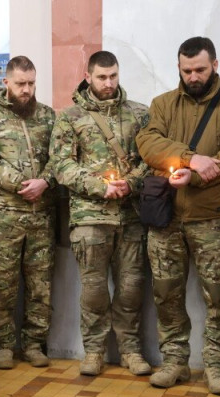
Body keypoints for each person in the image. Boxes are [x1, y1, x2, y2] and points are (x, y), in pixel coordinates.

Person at [136, 36, 220, 395]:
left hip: (214, 218)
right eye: (187, 70)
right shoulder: (163, 104)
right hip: (167, 219)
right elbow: (148, 143)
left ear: (215, 65)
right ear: (179, 68)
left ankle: (215, 365)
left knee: (219, 296)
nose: (193, 76)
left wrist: (193, 176)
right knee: (166, 294)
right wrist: (190, 158)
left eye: (200, 69)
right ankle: (175, 362)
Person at [50, 51, 152, 377]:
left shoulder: (139, 113)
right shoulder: (70, 117)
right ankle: (94, 351)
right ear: (88, 76)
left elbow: (150, 159)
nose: (108, 83)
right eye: (102, 77)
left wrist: (131, 183)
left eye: (113, 76)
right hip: (90, 217)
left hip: (131, 215)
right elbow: (61, 165)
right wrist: (100, 187)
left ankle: (130, 350)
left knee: (131, 287)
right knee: (94, 290)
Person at [0, 56, 55, 370]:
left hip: (41, 215)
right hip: (3, 216)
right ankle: (3, 343)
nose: (26, 90)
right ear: (6, 82)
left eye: (31, 83)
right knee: (1, 283)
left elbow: (60, 156)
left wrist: (45, 181)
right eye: (20, 83)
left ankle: (33, 343)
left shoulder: (46, 116)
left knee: (40, 285)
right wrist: (22, 184)